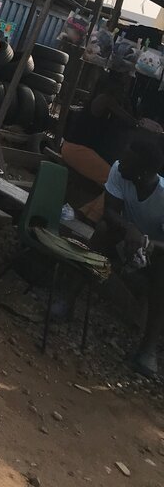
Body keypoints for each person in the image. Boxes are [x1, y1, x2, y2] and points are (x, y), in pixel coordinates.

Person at [93, 135, 164, 378]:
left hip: (154, 254)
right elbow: (109, 211)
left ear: (143, 172)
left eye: (126, 160)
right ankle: (69, 295)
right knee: (103, 231)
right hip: (125, 240)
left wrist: (146, 243)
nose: (120, 162)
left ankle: (148, 349)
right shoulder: (119, 171)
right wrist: (129, 230)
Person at [60, 74, 140, 223]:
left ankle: (88, 213)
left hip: (79, 150)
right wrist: (138, 123)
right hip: (77, 150)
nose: (123, 92)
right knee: (117, 183)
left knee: (116, 182)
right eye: (121, 89)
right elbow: (128, 119)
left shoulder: (104, 104)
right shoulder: (103, 99)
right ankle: (90, 216)